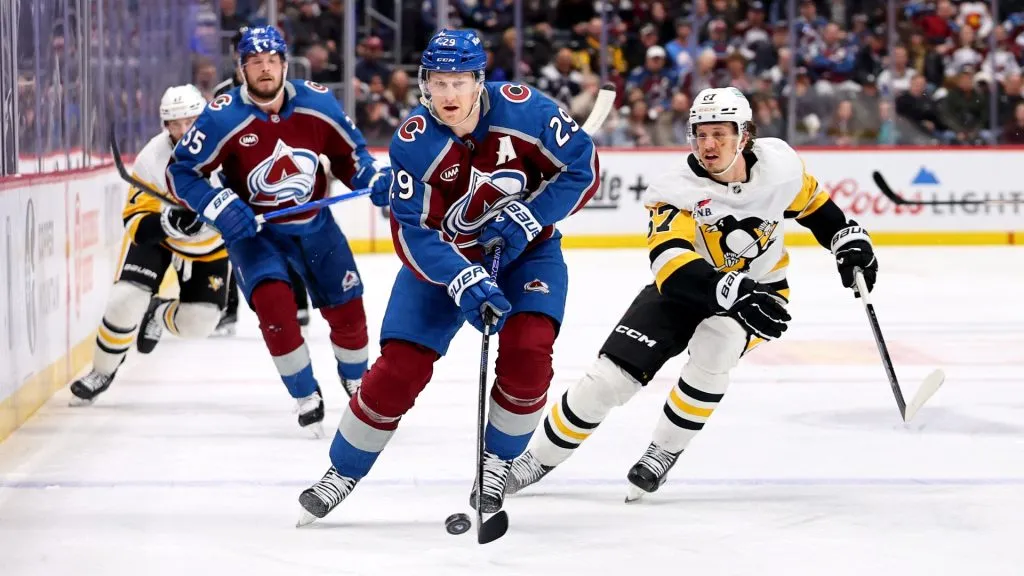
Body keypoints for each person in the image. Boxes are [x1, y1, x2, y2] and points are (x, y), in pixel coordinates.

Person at [505, 87, 880, 502]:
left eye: (720, 133)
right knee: (607, 381)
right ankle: (535, 459)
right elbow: (669, 262)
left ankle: (664, 449)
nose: (709, 144)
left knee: (716, 348)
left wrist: (845, 239)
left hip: (762, 292)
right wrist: (731, 288)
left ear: (746, 135)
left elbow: (814, 206)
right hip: (686, 289)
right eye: (700, 134)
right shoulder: (675, 190)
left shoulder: (781, 166)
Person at [296, 28, 601, 525]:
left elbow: (580, 168)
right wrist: (461, 277)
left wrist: (530, 217)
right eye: (439, 82)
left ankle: (497, 464)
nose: (449, 95)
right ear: (425, 84)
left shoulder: (529, 111)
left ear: (480, 81)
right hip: (442, 261)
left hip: (527, 255)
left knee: (529, 346)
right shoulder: (413, 144)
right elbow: (413, 231)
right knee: (400, 367)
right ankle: (342, 471)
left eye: (460, 81)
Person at [167, 26, 393, 435]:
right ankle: (305, 393)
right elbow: (182, 172)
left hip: (315, 227)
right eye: (255, 63)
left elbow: (350, 154)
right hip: (256, 234)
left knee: (348, 310)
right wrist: (218, 204)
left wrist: (369, 178)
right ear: (241, 69)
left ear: (285, 64)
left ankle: (357, 381)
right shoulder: (222, 116)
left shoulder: (318, 103)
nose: (265, 69)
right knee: (276, 311)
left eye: (272, 61)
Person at [69, 85, 230, 406]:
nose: (183, 131)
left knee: (200, 323)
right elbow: (136, 224)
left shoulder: (232, 147)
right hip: (164, 240)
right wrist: (169, 222)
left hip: (210, 247)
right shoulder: (152, 158)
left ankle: (157, 314)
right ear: (164, 125)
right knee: (124, 300)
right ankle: (102, 370)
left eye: (191, 121)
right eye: (175, 124)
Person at [212, 27, 313, 338]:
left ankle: (299, 305)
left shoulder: (288, 91)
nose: (263, 65)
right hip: (238, 186)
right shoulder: (223, 93)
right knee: (231, 247)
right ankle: (227, 311)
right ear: (237, 56)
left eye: (270, 57)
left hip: (278, 178)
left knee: (290, 239)